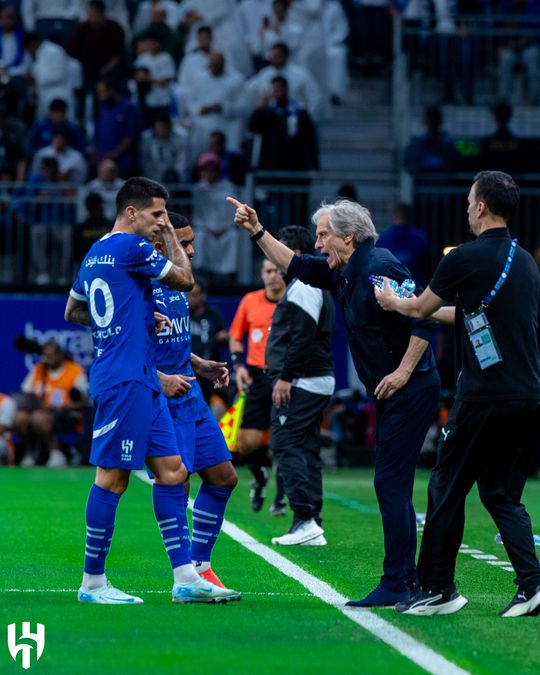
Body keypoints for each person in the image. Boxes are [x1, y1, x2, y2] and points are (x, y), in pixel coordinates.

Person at [227, 195, 440, 607]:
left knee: (390, 484)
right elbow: (296, 264)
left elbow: (423, 318)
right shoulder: (343, 270)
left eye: (323, 235)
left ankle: (400, 582)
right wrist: (256, 230)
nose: (318, 244)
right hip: (393, 391)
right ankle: (407, 579)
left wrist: (402, 372)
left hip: (411, 390)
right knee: (391, 484)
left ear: (349, 236)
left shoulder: (379, 265)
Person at [64, 176, 240, 604]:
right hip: (124, 379)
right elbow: (184, 279)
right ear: (131, 213)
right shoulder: (133, 246)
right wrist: (173, 244)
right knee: (112, 479)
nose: (161, 222)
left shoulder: (95, 252)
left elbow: (73, 310)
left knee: (174, 473)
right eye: (156, 214)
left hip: (141, 378)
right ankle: (92, 584)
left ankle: (185, 579)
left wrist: (131, 320)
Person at [374, 170, 540, 618]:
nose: (467, 207)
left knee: (445, 485)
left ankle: (438, 589)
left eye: (470, 201)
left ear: (482, 206)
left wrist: (393, 302)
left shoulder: (463, 257)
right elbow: (467, 315)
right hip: (527, 395)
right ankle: (533, 585)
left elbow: (421, 309)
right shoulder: (524, 261)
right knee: (501, 494)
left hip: (483, 396)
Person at [153, 211, 238, 587]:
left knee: (223, 478)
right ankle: (184, 575)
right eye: (184, 243)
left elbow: (171, 344)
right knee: (177, 482)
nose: (193, 249)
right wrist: (161, 379)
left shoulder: (179, 287)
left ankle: (201, 568)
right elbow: (121, 347)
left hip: (191, 395)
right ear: (161, 246)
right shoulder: (142, 283)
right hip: (162, 399)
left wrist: (200, 364)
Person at [266, 225, 335, 546]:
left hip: (303, 379)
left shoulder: (304, 284)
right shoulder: (305, 285)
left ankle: (305, 519)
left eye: (277, 248)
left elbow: (303, 336)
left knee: (286, 442)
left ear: (293, 254)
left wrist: (285, 377)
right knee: (305, 446)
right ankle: (312, 522)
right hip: (312, 377)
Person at [228, 257, 287, 514]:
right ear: (261, 274)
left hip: (286, 377)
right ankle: (261, 475)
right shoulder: (250, 300)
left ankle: (281, 499)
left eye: (276, 271)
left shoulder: (293, 300)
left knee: (285, 441)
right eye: (267, 271)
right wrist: (238, 365)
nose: (272, 276)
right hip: (255, 375)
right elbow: (235, 337)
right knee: (246, 443)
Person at [14, 339, 89, 467]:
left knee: (38, 418)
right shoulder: (40, 368)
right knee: (21, 417)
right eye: (45, 356)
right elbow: (26, 391)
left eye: (51, 356)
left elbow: (83, 401)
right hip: (39, 411)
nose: (47, 359)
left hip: (65, 414)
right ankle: (30, 453)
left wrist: (58, 407)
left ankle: (56, 452)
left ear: (60, 355)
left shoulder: (74, 371)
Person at [188, 281, 229, 406]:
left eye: (194, 295)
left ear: (203, 295)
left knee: (227, 400)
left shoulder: (213, 315)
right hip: (190, 369)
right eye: (188, 295)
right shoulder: (183, 315)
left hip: (210, 370)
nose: (190, 299)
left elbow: (226, 339)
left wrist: (224, 337)